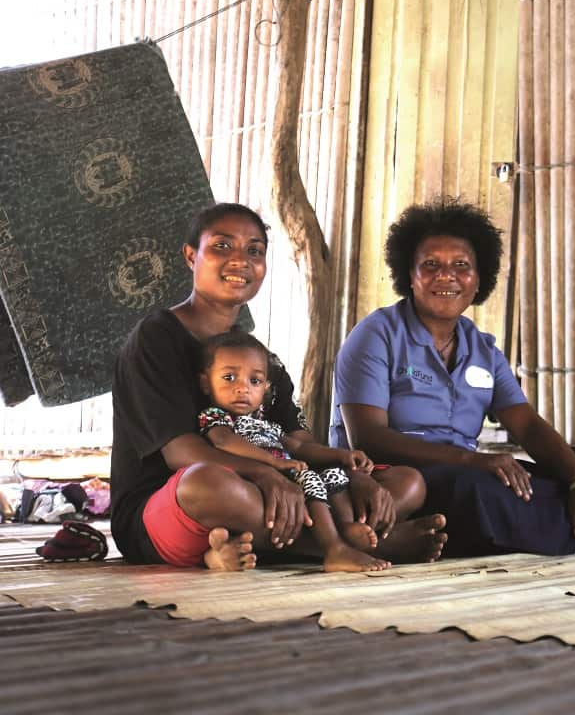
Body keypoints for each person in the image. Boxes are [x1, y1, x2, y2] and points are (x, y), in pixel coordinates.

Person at [330, 198, 575, 558]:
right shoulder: (376, 335)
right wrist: (472, 461)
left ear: (479, 281)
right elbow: (369, 438)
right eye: (430, 264)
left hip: (462, 469)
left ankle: (572, 522)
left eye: (461, 265)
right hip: (392, 477)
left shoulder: (483, 351)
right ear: (409, 276)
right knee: (476, 496)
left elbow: (528, 427)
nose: (446, 276)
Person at [110, 202, 447, 571]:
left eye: (254, 251)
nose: (240, 260)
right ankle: (345, 543)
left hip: (274, 491)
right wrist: (264, 474)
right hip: (172, 507)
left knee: (407, 482)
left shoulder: (259, 360)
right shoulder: (156, 339)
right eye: (222, 246)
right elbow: (181, 454)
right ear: (191, 256)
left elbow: (301, 444)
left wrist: (353, 476)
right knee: (206, 483)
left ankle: (324, 540)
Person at [198, 330, 430, 572]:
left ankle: (348, 528)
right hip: (256, 483)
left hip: (290, 475)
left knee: (333, 474)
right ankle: (333, 547)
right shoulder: (216, 416)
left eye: (254, 381)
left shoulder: (270, 425)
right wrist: (272, 463)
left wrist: (341, 456)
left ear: (266, 388)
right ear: (206, 383)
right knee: (308, 478)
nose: (242, 388)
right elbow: (224, 442)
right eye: (229, 377)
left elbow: (299, 446)